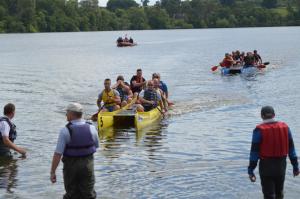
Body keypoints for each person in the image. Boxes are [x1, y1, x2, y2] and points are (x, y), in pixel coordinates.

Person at [248, 106, 299, 199]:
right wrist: (295, 167)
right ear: (274, 115)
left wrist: (251, 170)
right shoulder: (285, 128)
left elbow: (254, 153)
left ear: (261, 116)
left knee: (269, 195)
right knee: (279, 193)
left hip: (266, 167)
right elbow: (292, 150)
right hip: (281, 166)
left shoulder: (259, 130)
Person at [50, 103, 99, 199]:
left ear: (72, 114)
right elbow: (96, 146)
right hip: (87, 164)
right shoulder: (91, 128)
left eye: (67, 112)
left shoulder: (65, 131)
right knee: (88, 193)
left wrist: (53, 172)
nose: (66, 115)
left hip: (70, 166)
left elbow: (58, 154)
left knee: (71, 193)